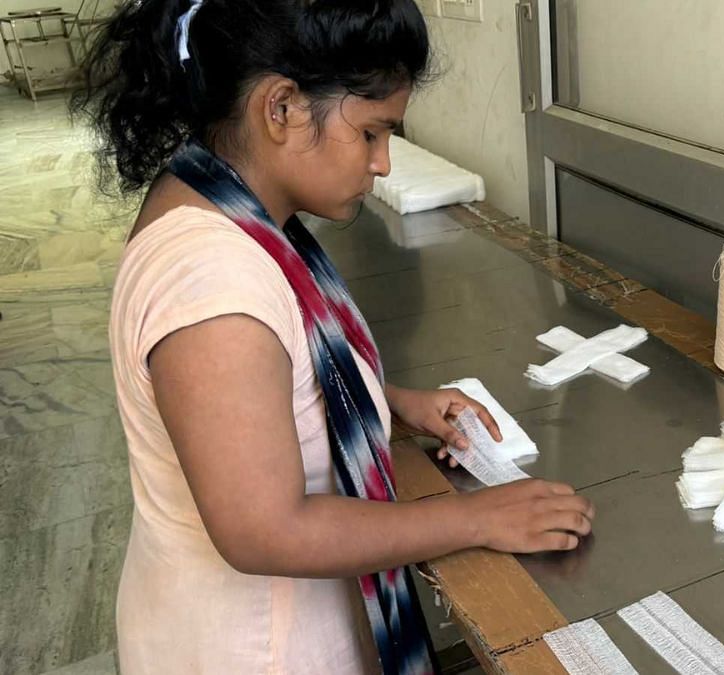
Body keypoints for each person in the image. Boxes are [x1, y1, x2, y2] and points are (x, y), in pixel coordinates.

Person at [71, 1, 595, 673]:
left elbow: (269, 376)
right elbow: (267, 529)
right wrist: (479, 518)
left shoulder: (217, 196)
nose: (382, 163)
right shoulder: (210, 284)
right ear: (281, 107)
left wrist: (391, 401)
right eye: (372, 133)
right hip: (252, 648)